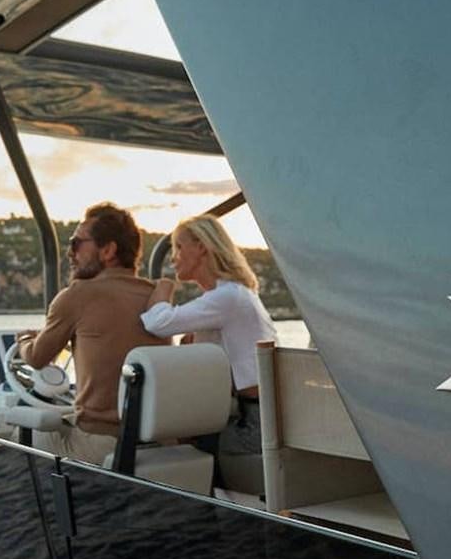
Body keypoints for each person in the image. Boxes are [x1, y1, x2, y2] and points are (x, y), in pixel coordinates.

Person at [16, 203, 167, 464]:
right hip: (158, 440)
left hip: (104, 445)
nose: (69, 253)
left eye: (76, 244)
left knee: (19, 430)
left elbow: (38, 358)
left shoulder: (78, 295)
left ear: (108, 250)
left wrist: (24, 340)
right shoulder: (156, 299)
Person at [141, 215, 277, 473]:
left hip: (255, 425)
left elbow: (157, 323)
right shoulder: (235, 294)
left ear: (201, 246)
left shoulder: (227, 297)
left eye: (179, 247)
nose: (173, 257)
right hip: (260, 415)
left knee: (172, 445)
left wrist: (162, 290)